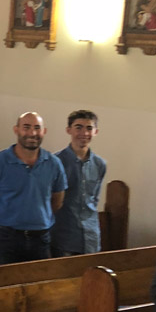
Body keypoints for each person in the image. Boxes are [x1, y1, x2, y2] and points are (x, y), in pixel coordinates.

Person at [0, 112, 67, 265]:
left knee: (39, 286)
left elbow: (57, 201)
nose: (32, 133)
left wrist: (37, 217)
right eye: (26, 127)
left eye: (37, 128)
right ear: (16, 130)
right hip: (5, 239)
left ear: (44, 132)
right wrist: (0, 220)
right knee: (2, 285)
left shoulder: (54, 164)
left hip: (41, 239)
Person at [51, 110, 107, 257]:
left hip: (90, 236)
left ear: (96, 132)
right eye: (78, 127)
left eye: (89, 128)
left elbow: (93, 199)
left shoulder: (100, 164)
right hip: (63, 236)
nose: (84, 133)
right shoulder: (55, 162)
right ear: (68, 130)